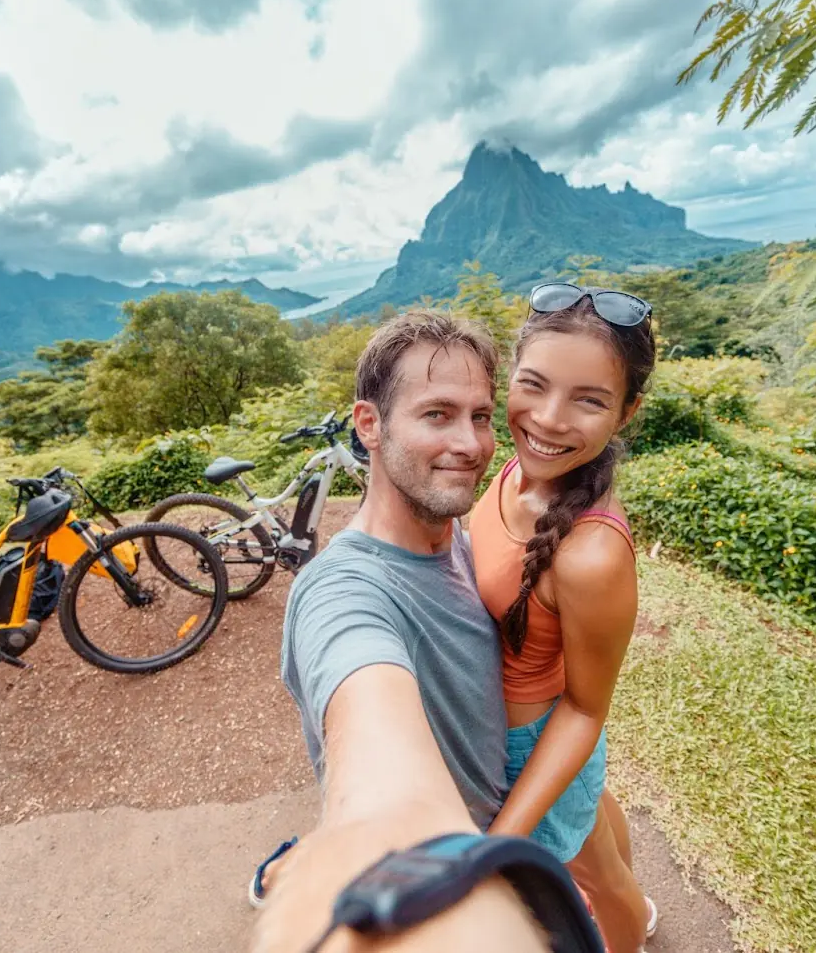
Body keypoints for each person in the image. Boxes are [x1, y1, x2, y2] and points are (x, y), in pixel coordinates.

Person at [251, 310, 553, 953]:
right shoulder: (342, 592)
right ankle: (300, 865)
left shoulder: (467, 544)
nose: (471, 444)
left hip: (494, 821)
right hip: (460, 853)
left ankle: (288, 864)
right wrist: (398, 858)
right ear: (370, 425)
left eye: (479, 416)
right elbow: (383, 779)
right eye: (437, 414)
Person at [470, 283, 657, 953]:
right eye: (534, 386)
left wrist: (500, 841)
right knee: (600, 844)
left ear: (627, 411)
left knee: (598, 879)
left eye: (589, 400)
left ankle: (628, 936)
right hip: (527, 743)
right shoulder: (509, 470)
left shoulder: (592, 554)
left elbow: (585, 709)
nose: (548, 420)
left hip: (536, 751)